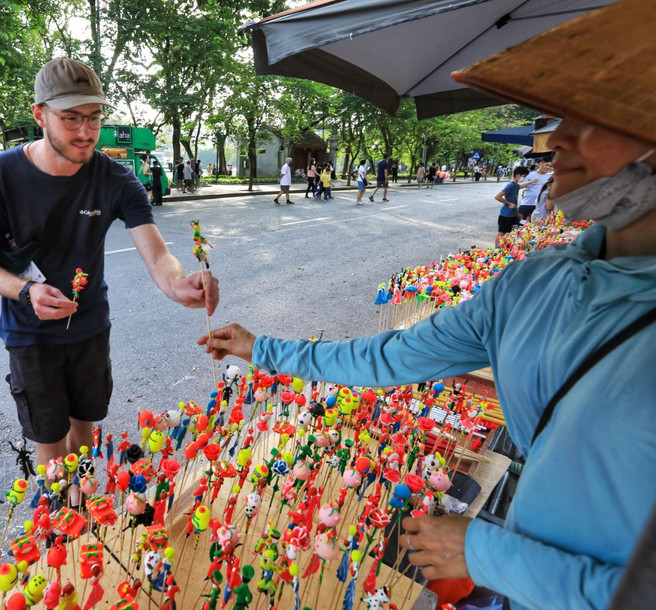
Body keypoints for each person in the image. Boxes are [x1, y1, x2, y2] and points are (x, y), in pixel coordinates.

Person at [199, 2, 656, 608]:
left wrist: (486, 553)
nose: (556, 141)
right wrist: (263, 348)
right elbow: (391, 356)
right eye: (561, 117)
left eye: (592, 117)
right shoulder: (532, 282)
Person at [0, 58, 219, 467]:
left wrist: (177, 285)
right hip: (31, 334)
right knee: (50, 439)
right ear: (40, 114)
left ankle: (81, 500)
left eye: (94, 118)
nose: (85, 132)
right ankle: (60, 520)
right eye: (71, 118)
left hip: (90, 327)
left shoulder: (116, 179)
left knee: (84, 426)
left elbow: (156, 252)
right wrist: (26, 291)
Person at [495, 167, 529, 246]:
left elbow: (515, 202)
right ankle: (496, 250)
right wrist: (509, 203)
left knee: (510, 233)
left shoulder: (516, 185)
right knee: (502, 233)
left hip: (512, 214)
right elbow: (497, 197)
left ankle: (504, 249)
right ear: (517, 175)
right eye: (523, 176)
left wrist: (517, 213)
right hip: (505, 214)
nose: (524, 178)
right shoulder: (510, 185)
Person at [517, 156, 553, 222]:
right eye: (547, 165)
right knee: (520, 224)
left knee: (534, 228)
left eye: (550, 166)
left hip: (540, 207)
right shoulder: (530, 175)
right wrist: (530, 182)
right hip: (527, 204)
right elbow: (518, 186)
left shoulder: (549, 177)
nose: (548, 167)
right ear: (541, 164)